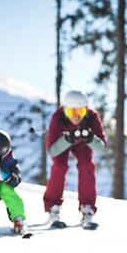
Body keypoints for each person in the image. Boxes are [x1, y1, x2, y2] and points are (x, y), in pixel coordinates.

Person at [43, 90, 107, 226]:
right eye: (71, 112)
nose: (76, 117)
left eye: (80, 112)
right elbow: (53, 151)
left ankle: (87, 208)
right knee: (59, 166)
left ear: (86, 110)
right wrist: (67, 138)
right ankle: (53, 207)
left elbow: (102, 148)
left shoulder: (92, 117)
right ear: (64, 109)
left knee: (87, 165)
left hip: (83, 143)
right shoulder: (58, 117)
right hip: (62, 143)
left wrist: (91, 138)